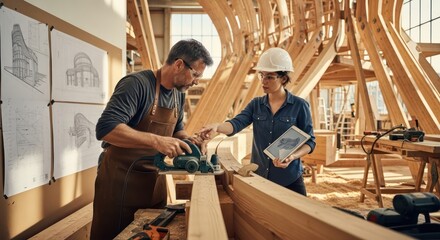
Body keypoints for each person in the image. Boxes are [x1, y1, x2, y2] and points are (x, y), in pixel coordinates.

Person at [90, 39, 213, 239]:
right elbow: (106, 128)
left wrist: (190, 141)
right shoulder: (136, 85)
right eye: (196, 74)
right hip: (121, 181)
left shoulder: (177, 94)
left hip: (154, 182)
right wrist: (157, 141)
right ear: (179, 64)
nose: (197, 81)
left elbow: (177, 130)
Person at [198, 47, 315, 196]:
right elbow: (236, 124)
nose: (264, 81)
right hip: (260, 178)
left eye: (270, 77)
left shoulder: (299, 106)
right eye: (262, 75)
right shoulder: (256, 104)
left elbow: (310, 142)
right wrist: (218, 127)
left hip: (289, 179)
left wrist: (292, 156)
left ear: (283, 79)